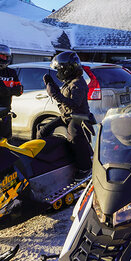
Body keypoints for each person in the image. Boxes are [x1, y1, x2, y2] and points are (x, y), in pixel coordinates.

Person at [39, 51, 94, 183]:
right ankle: (47, 162)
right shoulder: (70, 81)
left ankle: (85, 168)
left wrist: (56, 95)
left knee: (74, 137)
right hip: (66, 116)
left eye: (59, 69)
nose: (58, 73)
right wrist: (51, 84)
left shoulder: (78, 84)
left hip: (79, 117)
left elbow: (74, 104)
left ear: (67, 69)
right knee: (43, 130)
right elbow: (65, 97)